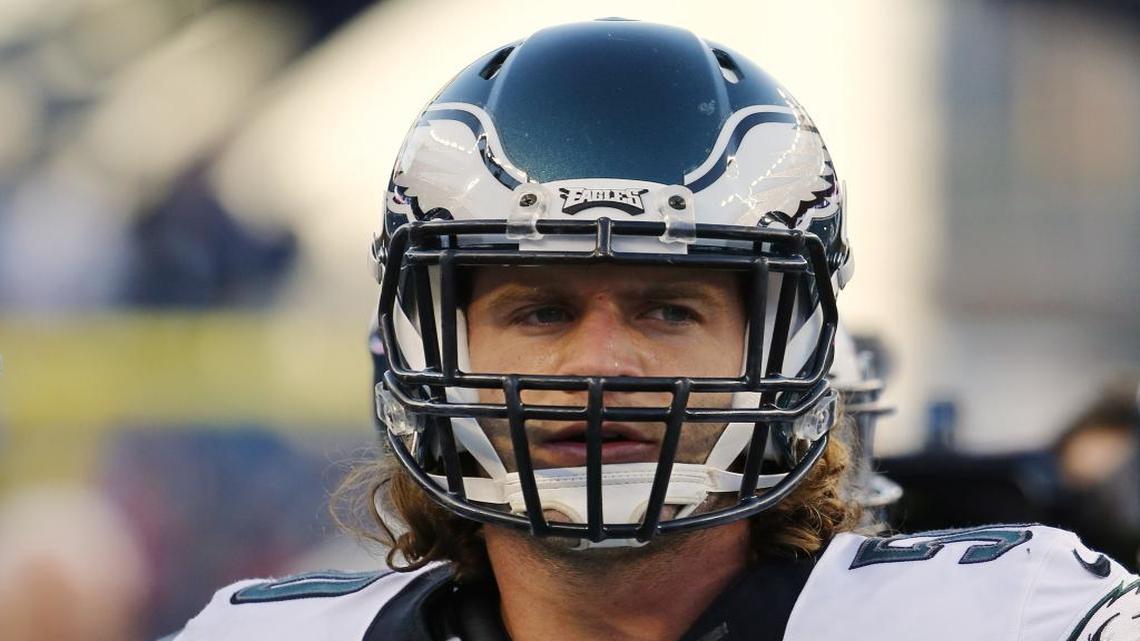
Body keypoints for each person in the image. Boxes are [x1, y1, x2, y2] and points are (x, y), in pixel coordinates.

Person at [168, 19, 1140, 641]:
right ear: (432, 340)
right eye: (540, 309)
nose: (599, 364)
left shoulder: (1005, 614)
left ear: (785, 341)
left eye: (669, 309)